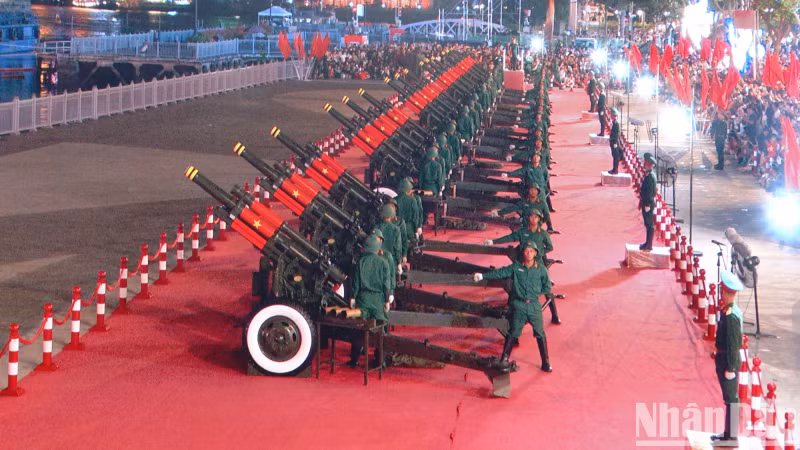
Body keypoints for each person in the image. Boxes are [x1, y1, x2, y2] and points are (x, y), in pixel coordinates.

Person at [473, 241, 553, 372]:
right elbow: (501, 272)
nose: (529, 253)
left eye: (531, 251)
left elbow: (547, 286)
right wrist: (482, 276)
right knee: (513, 332)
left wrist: (536, 294)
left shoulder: (541, 269)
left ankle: (545, 361)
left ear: (535, 253)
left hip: (534, 306)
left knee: (540, 333)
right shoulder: (516, 267)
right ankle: (504, 358)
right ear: (523, 252)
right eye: (526, 251)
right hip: (519, 305)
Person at [348, 234, 393, 368]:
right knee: (381, 331)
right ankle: (381, 361)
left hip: (363, 300)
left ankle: (354, 360)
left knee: (359, 331)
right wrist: (387, 300)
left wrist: (353, 298)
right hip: (378, 301)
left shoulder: (360, 262)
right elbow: (386, 285)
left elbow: (356, 283)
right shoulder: (383, 262)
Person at [710, 270, 743, 446]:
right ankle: (728, 434)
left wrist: (730, 368)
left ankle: (731, 437)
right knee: (729, 398)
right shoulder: (730, 310)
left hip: (728, 360)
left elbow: (732, 343)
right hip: (725, 358)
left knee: (731, 399)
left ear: (725, 292)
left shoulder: (731, 316)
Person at [639, 153, 657, 251]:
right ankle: (647, 243)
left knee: (649, 224)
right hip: (646, 202)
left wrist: (647, 204)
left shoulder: (651, 177)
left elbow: (650, 192)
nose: (644, 165)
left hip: (648, 203)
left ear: (649, 165)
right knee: (647, 224)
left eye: (645, 163)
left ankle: (649, 245)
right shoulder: (649, 175)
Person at [608, 107, 621, 174]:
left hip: (615, 143)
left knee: (616, 157)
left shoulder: (616, 124)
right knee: (614, 156)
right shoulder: (614, 123)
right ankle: (614, 169)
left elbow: (617, 134)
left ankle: (615, 170)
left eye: (612, 115)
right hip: (613, 142)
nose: (611, 116)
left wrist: (614, 142)